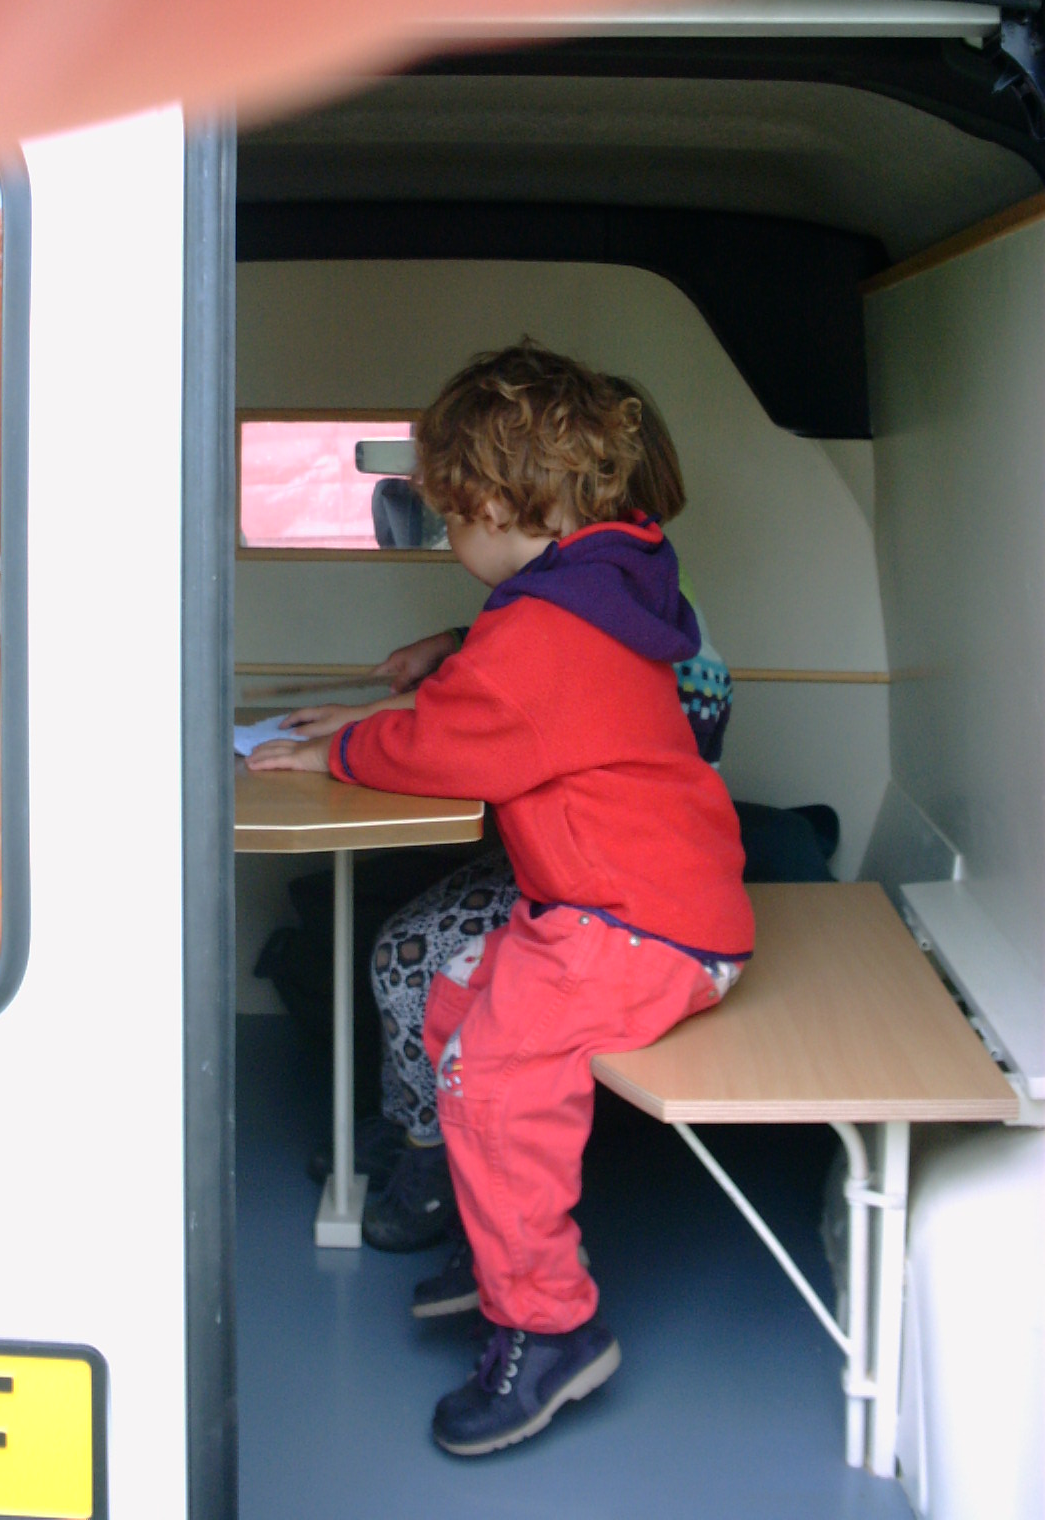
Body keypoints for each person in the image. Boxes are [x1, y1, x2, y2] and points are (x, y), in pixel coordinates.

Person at [249, 341, 752, 1455]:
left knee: (489, 1081)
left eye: (448, 517)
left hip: (634, 929)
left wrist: (339, 752)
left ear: (489, 503)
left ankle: (550, 1325)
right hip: (626, 908)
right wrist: (383, 724)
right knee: (450, 1001)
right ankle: (496, 1247)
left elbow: (449, 746)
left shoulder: (545, 628)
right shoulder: (605, 586)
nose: (449, 538)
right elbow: (478, 710)